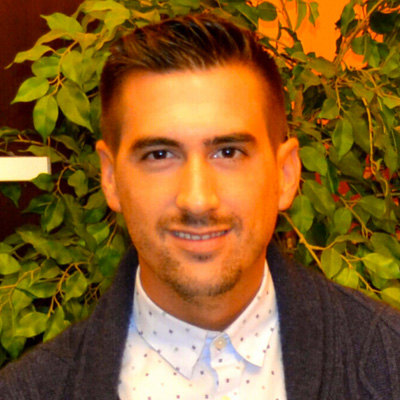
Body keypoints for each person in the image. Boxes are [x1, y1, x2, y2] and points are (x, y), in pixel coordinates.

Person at [1, 13, 400, 400]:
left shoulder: (389, 362)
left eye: (228, 152)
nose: (197, 199)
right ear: (110, 178)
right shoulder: (27, 390)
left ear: (285, 174)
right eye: (159, 155)